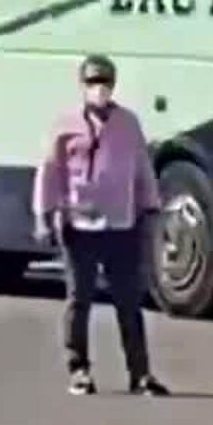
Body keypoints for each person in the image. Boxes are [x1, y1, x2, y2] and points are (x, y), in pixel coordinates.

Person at [33, 54, 169, 398]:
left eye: (105, 81)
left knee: (128, 301)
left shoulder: (128, 123)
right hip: (78, 224)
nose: (100, 89)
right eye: (94, 82)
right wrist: (43, 215)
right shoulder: (65, 125)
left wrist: (151, 208)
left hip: (121, 223)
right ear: (82, 86)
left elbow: (141, 168)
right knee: (79, 300)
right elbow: (50, 171)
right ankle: (78, 369)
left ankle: (140, 374)